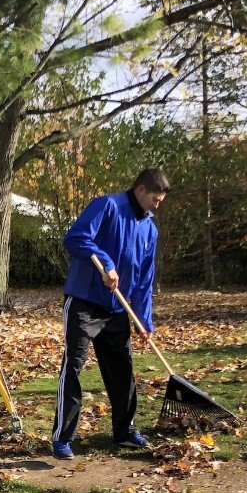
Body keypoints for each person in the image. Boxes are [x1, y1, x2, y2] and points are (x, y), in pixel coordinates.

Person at [51, 167, 169, 459]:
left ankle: (125, 431)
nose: (157, 206)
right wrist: (105, 263)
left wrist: (144, 320)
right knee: (74, 366)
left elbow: (143, 280)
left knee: (122, 370)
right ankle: (63, 438)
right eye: (155, 199)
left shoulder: (150, 229)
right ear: (141, 190)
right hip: (84, 302)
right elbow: (76, 238)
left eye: (160, 202)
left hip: (117, 309)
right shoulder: (107, 206)